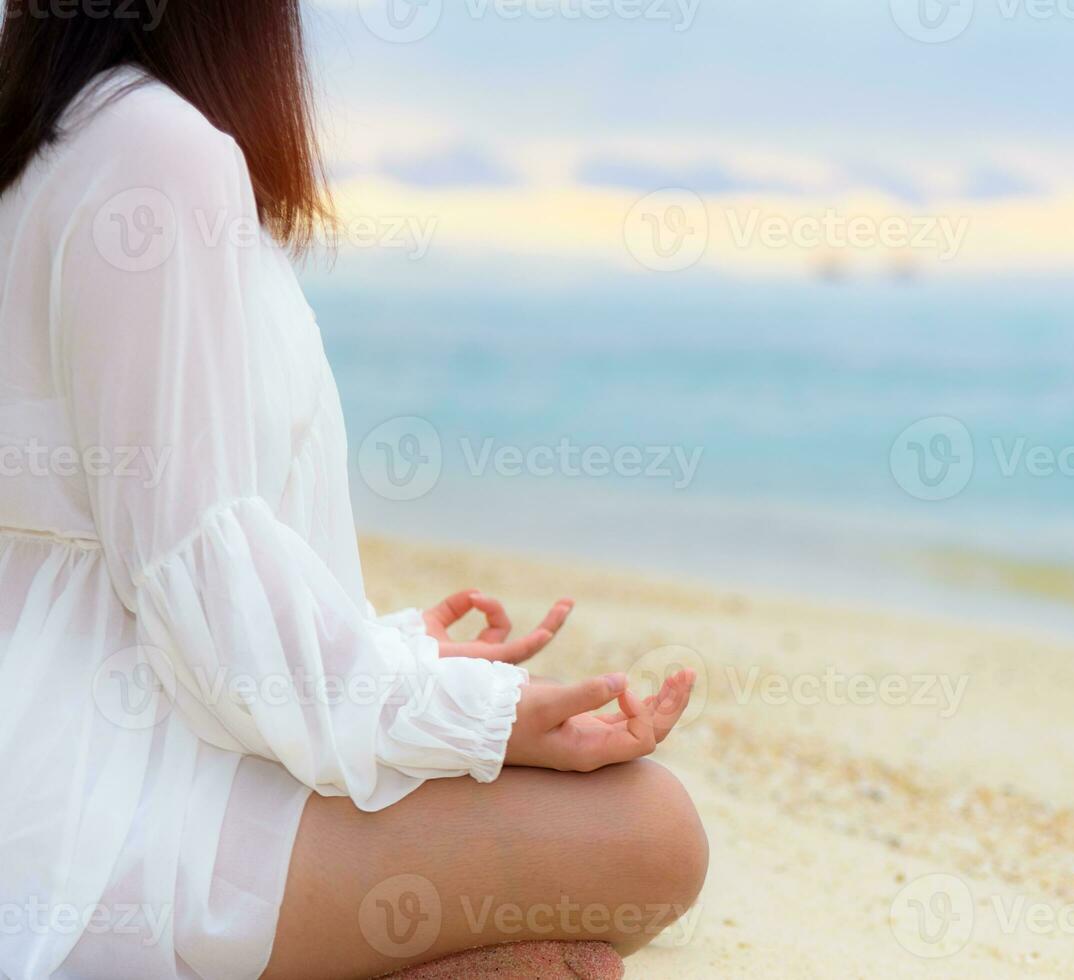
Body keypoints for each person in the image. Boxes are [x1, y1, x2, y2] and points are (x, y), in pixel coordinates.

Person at [0, 4, 707, 978]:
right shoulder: (157, 149)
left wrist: (387, 652)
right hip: (105, 814)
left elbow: (131, 549)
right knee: (652, 830)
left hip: (69, 759)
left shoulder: (53, 140)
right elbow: (182, 573)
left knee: (562, 938)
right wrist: (471, 712)